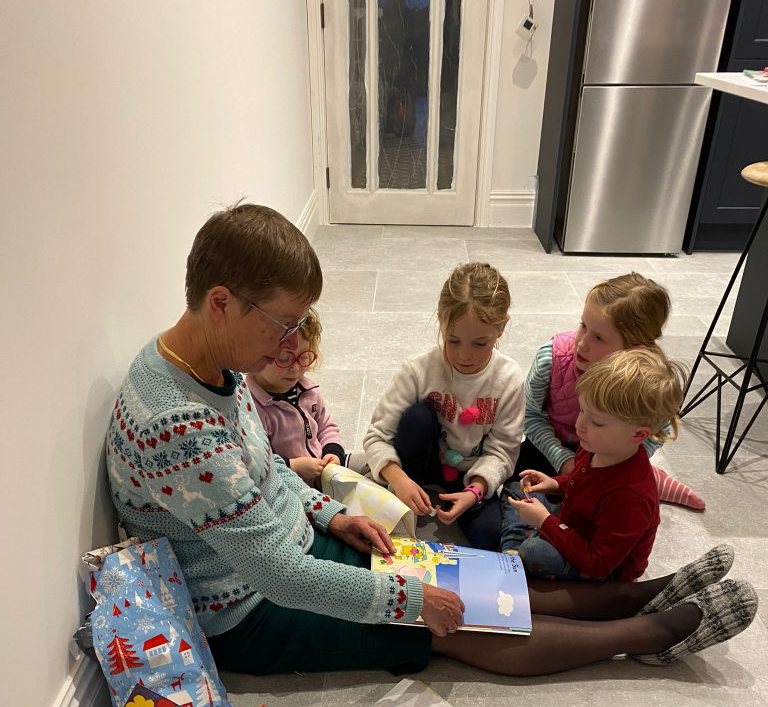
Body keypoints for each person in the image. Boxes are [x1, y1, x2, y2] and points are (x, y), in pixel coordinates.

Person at [105, 203, 756, 678]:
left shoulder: (211, 368)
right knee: (453, 619)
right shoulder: (177, 428)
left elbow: (267, 472)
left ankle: (641, 593)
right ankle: (649, 632)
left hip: (291, 552)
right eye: (283, 323)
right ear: (222, 303)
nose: (293, 343)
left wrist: (333, 516)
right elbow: (275, 574)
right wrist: (410, 602)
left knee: (470, 577)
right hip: (249, 611)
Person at [362, 262, 524, 550]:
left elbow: (503, 452)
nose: (464, 355)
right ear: (441, 321)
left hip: (469, 476)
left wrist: (475, 491)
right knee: (417, 417)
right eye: (453, 340)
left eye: (479, 343)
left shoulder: (509, 378)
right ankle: (409, 488)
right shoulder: (418, 369)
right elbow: (376, 436)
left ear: (501, 327)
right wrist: (399, 479)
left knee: (491, 536)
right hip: (420, 463)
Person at [516, 272, 706, 511]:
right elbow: (530, 415)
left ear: (634, 349)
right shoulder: (551, 358)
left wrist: (623, 463)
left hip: (611, 454)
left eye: (598, 337)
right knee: (521, 483)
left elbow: (659, 430)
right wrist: (565, 461)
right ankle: (647, 479)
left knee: (607, 505)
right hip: (552, 446)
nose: (582, 343)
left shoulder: (649, 380)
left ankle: (652, 480)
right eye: (583, 326)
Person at [501, 347, 684, 580]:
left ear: (638, 434)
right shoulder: (596, 447)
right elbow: (583, 482)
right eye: (582, 410)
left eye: (597, 422)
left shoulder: (629, 496)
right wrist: (555, 484)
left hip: (602, 569)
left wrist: (545, 522)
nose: (580, 425)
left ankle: (515, 552)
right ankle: (514, 553)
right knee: (518, 487)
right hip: (574, 525)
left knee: (534, 552)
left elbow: (599, 563)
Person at [246, 308, 345, 488]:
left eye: (304, 357)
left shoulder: (308, 390)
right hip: (292, 488)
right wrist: (294, 466)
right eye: (285, 358)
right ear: (258, 356)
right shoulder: (252, 408)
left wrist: (333, 452)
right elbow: (258, 463)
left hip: (324, 475)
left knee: (370, 464)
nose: (296, 368)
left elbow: (326, 426)